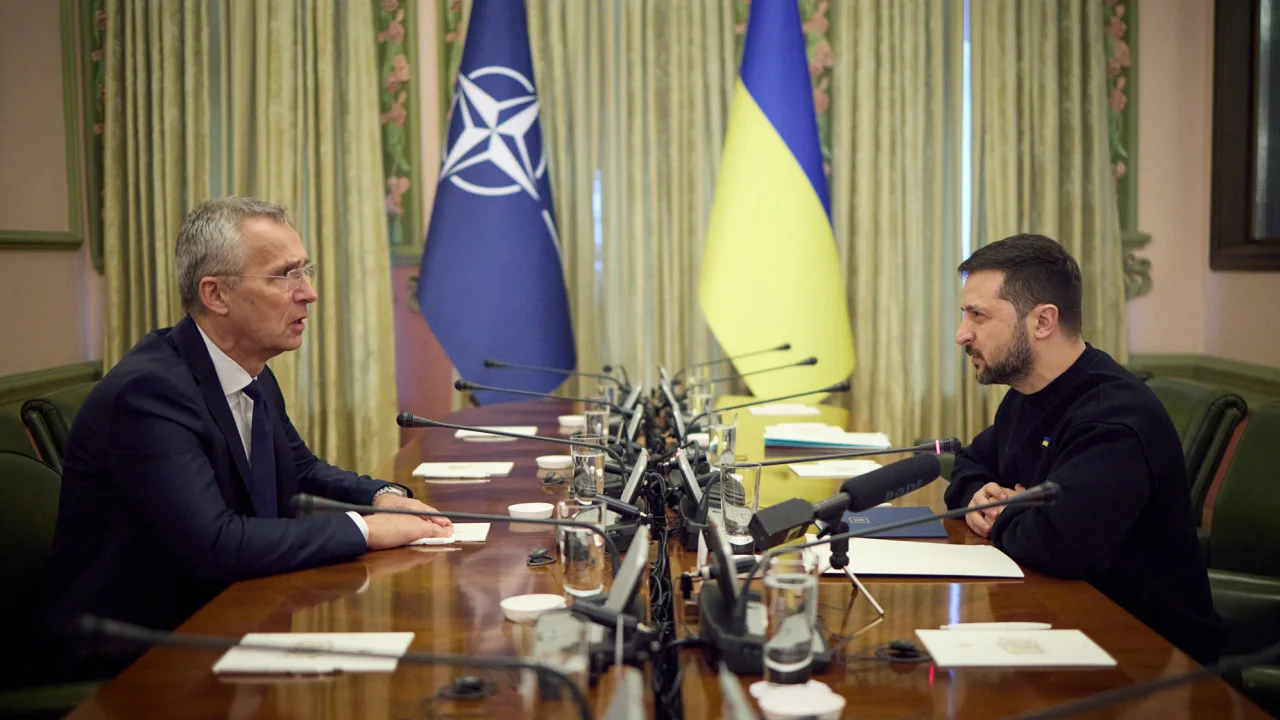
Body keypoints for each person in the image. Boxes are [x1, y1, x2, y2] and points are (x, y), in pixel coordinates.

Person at [43, 197, 451, 679]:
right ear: (216, 295)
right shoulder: (149, 393)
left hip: (227, 618)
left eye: (306, 270)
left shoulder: (247, 368)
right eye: (286, 275)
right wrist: (365, 529)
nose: (309, 293)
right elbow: (215, 544)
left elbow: (300, 470)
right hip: (138, 657)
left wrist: (383, 497)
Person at [944, 233, 1226, 665]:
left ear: (1042, 322)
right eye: (965, 315)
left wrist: (1007, 511)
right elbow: (970, 460)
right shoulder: (1027, 392)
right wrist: (978, 492)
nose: (962, 334)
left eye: (978, 316)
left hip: (1149, 657)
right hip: (1061, 621)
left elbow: (1060, 543)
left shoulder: (1113, 416)